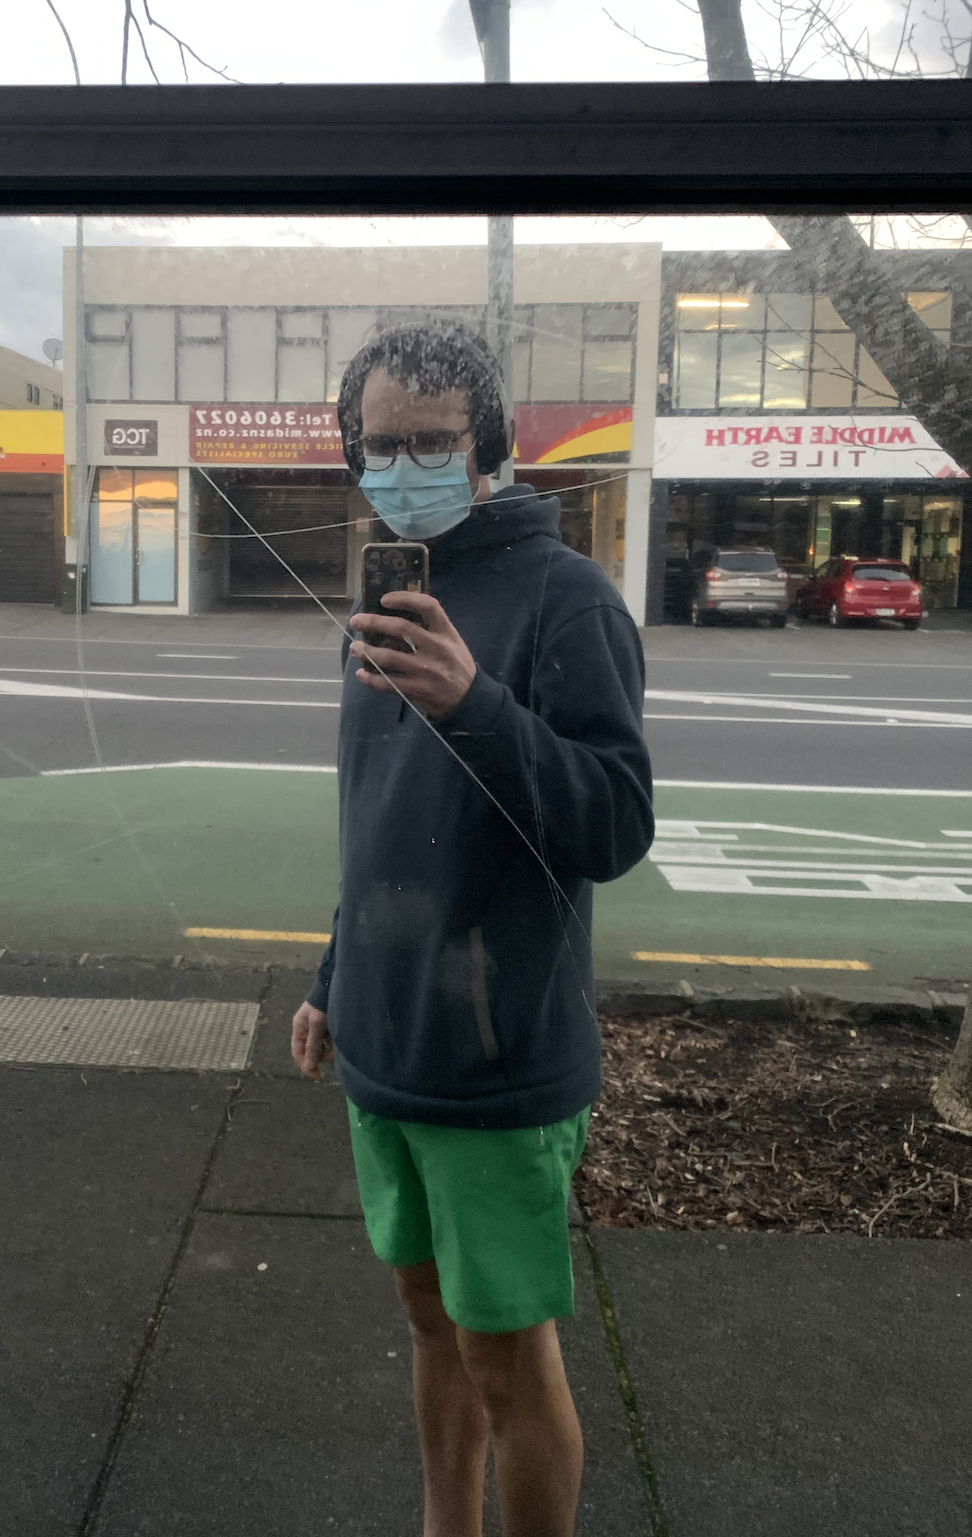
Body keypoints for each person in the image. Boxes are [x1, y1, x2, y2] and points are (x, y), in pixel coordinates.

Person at [290, 321, 654, 1537]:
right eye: (379, 444)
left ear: (488, 443)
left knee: (508, 1356)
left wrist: (477, 702)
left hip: (500, 1053)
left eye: (431, 441)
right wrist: (333, 974)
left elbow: (616, 821)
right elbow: (379, 818)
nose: (401, 466)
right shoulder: (390, 593)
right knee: (427, 1318)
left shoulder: (568, 600)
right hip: (385, 1036)